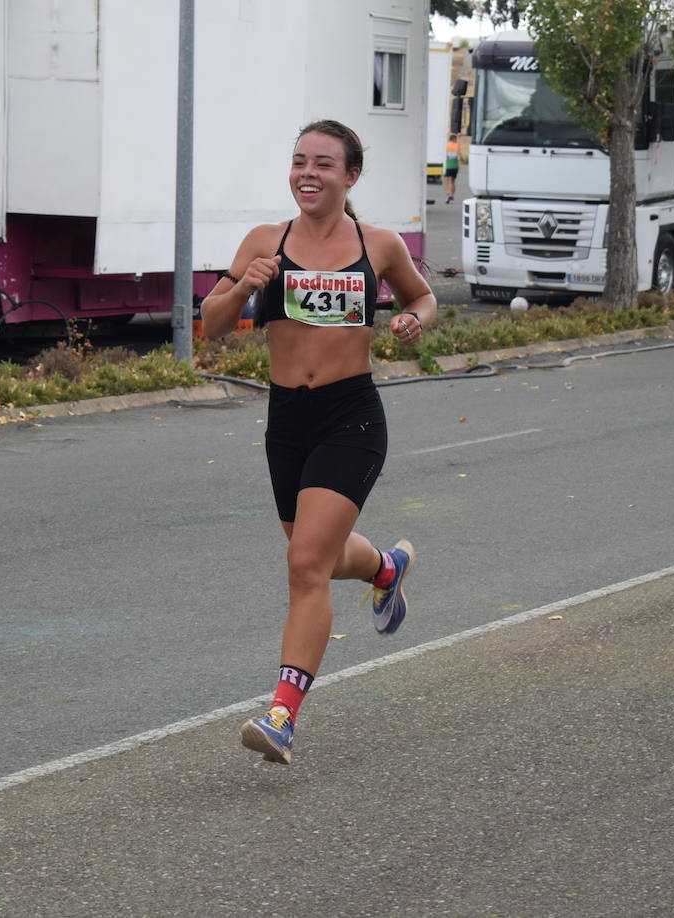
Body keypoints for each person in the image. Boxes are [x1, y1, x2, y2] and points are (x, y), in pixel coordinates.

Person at [199, 119, 437, 765]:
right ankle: (386, 568)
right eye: (299, 161)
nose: (308, 173)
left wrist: (413, 317)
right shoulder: (264, 240)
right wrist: (246, 284)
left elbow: (423, 294)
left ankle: (281, 716)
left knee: (305, 565)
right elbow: (210, 325)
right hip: (287, 422)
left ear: (350, 176)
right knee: (322, 559)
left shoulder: (378, 243)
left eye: (324, 164)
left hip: (350, 418)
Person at [443, 134, 460, 204]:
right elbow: (459, 157)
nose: (456, 140)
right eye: (456, 139)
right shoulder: (457, 146)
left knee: (445, 180)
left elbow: (445, 156)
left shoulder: (447, 145)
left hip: (448, 166)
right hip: (455, 166)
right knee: (452, 181)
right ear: (453, 139)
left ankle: (448, 194)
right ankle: (452, 195)